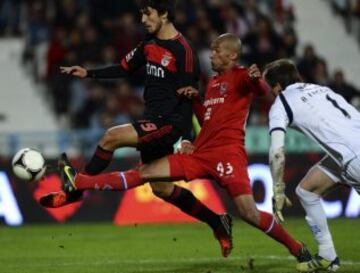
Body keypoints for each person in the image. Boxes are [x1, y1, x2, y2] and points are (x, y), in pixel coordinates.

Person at [58, 33, 312, 264]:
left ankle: (297, 248)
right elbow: (207, 122)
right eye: (211, 50)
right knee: (145, 171)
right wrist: (195, 102)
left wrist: (257, 79)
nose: (211, 54)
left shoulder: (241, 75)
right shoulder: (212, 83)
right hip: (201, 153)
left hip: (228, 155)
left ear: (232, 55)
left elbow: (258, 89)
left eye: (216, 50)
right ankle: (79, 182)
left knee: (249, 213)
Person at [41, 0, 233, 257]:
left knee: (112, 137)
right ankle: (217, 221)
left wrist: (187, 139)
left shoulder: (183, 52)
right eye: (141, 14)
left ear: (164, 14)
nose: (143, 19)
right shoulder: (149, 43)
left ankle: (76, 189)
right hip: (152, 119)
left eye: (147, 13)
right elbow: (123, 68)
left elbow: (189, 97)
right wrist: (88, 73)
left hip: (170, 124)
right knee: (160, 188)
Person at [263, 59, 355, 272]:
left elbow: (277, 153)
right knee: (306, 190)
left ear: (277, 86)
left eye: (270, 88)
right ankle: (327, 256)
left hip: (353, 159)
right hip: (345, 155)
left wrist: (277, 189)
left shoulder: (281, 103)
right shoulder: (322, 89)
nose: (271, 93)